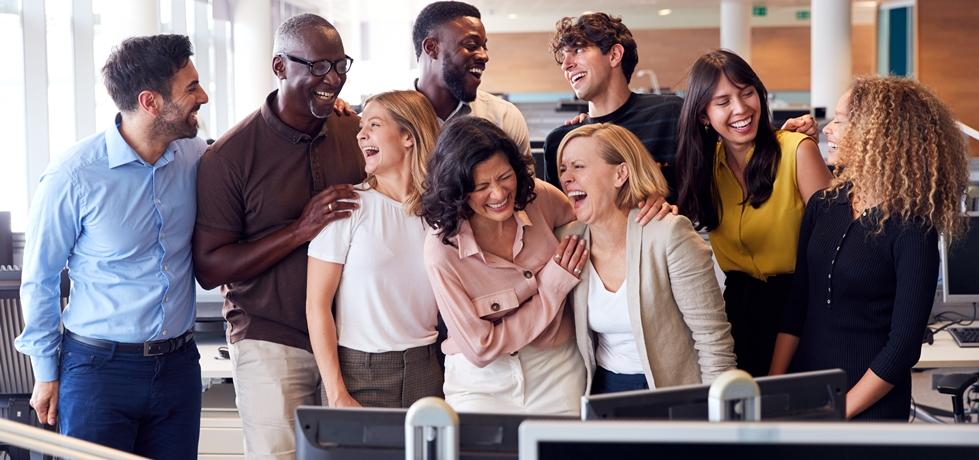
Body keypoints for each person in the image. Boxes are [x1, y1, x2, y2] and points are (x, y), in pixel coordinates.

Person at [14, 34, 208, 456]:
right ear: (150, 101)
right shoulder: (73, 175)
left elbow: (255, 148)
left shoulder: (195, 155)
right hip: (99, 371)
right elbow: (40, 280)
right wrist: (46, 373)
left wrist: (332, 115)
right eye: (191, 88)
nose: (203, 96)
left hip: (178, 368)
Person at [193, 14, 365, 459]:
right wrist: (300, 230)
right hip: (271, 336)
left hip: (351, 337)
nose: (334, 79)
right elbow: (210, 269)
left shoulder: (356, 130)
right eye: (318, 67)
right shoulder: (229, 156)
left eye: (340, 65)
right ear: (280, 67)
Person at [770, 77, 970, 421]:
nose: (827, 130)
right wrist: (773, 387)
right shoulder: (823, 205)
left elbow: (901, 348)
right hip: (806, 389)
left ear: (877, 135)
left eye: (840, 120)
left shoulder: (913, 229)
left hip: (868, 405)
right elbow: (796, 306)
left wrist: (840, 410)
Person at [674, 49, 833, 377]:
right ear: (703, 115)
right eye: (723, 102)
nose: (741, 108)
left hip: (804, 307)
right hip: (738, 313)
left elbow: (836, 246)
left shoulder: (796, 150)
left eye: (747, 93)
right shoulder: (705, 166)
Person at [544, 13, 819, 197]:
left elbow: (737, 150)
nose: (567, 65)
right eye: (563, 58)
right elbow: (562, 222)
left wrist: (782, 139)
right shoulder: (561, 142)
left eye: (578, 50)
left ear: (615, 54)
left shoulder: (672, 114)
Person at [420, 116, 588, 415]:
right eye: (481, 186)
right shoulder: (441, 250)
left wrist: (646, 203)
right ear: (457, 190)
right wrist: (551, 288)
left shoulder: (540, 198)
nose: (498, 194)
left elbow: (596, 219)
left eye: (504, 177)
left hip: (556, 368)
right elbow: (480, 348)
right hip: (480, 382)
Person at [555, 123, 736, 394]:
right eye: (563, 169)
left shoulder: (669, 234)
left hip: (669, 392)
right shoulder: (568, 239)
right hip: (602, 389)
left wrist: (716, 416)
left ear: (621, 174)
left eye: (578, 166)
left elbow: (713, 341)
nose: (566, 177)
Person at [306, 90, 443, 408]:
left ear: (408, 135)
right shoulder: (347, 207)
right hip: (359, 378)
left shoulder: (441, 213)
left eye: (374, 125)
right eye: (361, 127)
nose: (361, 135)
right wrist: (338, 394)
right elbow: (317, 306)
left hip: (428, 370)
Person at [412, 1, 532, 159]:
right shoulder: (385, 118)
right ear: (431, 48)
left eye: (484, 46)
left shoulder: (503, 117)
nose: (484, 56)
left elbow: (524, 182)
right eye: (471, 45)